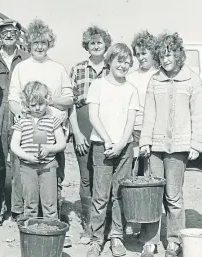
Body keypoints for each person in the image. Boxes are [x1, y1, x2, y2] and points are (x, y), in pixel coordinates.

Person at [139, 32, 202, 257]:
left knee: (173, 196)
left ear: (178, 54)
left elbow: (198, 115)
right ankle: (150, 241)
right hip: (155, 146)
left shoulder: (192, 79)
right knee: (153, 194)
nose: (166, 60)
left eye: (169, 55)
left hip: (179, 148)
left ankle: (175, 241)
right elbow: (149, 113)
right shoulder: (154, 80)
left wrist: (196, 143)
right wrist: (145, 141)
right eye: (162, 56)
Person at [8, 19, 73, 245]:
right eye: (35, 42)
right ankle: (31, 227)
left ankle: (51, 227)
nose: (39, 46)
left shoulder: (58, 69)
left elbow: (69, 98)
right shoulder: (21, 68)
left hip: (52, 127)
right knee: (29, 179)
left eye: (43, 42)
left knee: (51, 180)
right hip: (29, 129)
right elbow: (13, 99)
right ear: (29, 43)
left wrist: (48, 101)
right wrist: (26, 114)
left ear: (49, 43)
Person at [86, 43, 139, 257]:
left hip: (124, 148)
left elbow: (130, 122)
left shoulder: (131, 90)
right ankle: (96, 239)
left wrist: (120, 144)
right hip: (101, 147)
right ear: (110, 60)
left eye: (128, 62)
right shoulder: (98, 85)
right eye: (120, 61)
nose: (123, 66)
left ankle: (117, 236)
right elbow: (93, 116)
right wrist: (108, 142)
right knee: (100, 195)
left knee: (119, 194)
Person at [69, 26, 112, 244]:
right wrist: (77, 133)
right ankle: (88, 224)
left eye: (100, 42)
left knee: (103, 176)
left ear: (106, 45)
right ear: (87, 45)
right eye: (92, 42)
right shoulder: (77, 69)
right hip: (83, 127)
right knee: (86, 176)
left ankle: (106, 225)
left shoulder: (112, 68)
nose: (96, 46)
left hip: (105, 127)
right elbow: (70, 105)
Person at [0, 19, 30, 226]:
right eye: (5, 31)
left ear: (18, 35)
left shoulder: (25, 59)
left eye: (13, 31)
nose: (8, 35)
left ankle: (17, 209)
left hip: (18, 116)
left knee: (18, 164)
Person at [10, 81, 66, 219]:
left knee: (50, 202)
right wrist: (27, 157)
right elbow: (14, 145)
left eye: (40, 104)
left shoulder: (53, 120)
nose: (37, 108)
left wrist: (49, 148)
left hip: (48, 166)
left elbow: (62, 143)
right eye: (33, 105)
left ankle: (50, 229)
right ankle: (32, 231)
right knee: (30, 202)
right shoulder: (22, 122)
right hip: (27, 167)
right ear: (26, 105)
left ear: (47, 101)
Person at [127, 30, 157, 176]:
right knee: (135, 170)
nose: (141, 57)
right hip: (136, 129)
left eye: (144, 53)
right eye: (138, 54)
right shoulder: (131, 77)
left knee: (152, 171)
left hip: (155, 130)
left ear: (152, 52)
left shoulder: (160, 75)